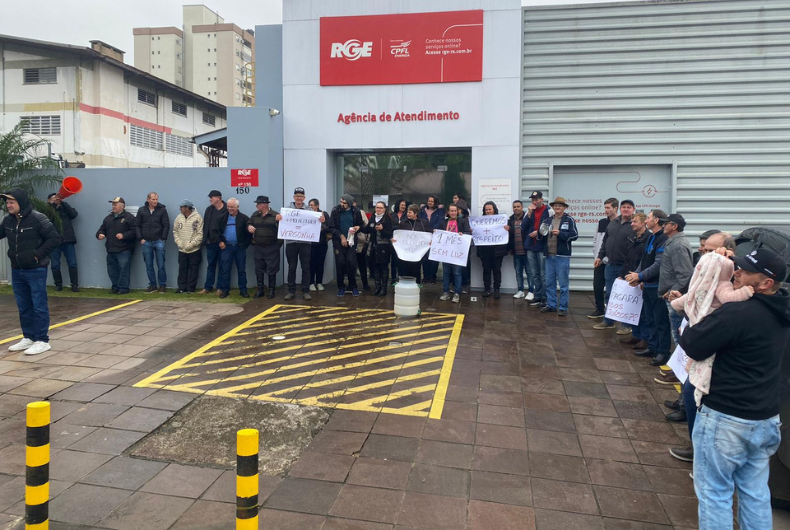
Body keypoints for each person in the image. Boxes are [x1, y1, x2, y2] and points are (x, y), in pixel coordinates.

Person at [681, 247, 789, 530]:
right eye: (736, 266)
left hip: (725, 417)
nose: (736, 272)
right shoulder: (782, 311)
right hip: (766, 418)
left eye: (745, 271)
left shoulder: (738, 312)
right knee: (755, 493)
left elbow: (692, 342)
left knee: (715, 493)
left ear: (766, 283)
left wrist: (702, 297)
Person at [665, 231, 736, 462]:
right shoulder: (706, 271)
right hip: (697, 345)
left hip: (712, 353)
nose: (703, 255)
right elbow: (697, 295)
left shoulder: (729, 274)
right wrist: (681, 298)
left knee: (695, 394)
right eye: (703, 250)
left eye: (709, 251)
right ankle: (696, 444)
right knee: (688, 390)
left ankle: (701, 451)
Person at [1, 188, 61, 356]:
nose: (8, 205)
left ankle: (42, 340)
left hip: (36, 269)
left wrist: (37, 254)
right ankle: (28, 337)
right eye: (7, 202)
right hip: (17, 269)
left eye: (11, 202)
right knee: (23, 306)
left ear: (21, 202)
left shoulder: (37, 218)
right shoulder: (8, 220)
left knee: (38, 305)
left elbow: (54, 238)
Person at [626, 210, 670, 366]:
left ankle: (663, 352)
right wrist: (637, 274)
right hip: (648, 285)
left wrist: (640, 276)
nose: (646, 221)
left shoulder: (663, 239)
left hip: (658, 286)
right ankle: (652, 347)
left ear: (656, 220)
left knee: (660, 321)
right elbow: (644, 260)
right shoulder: (651, 237)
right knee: (649, 318)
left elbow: (659, 264)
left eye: (649, 218)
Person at [594, 199, 636, 329]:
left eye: (629, 207)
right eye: (624, 207)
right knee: (610, 294)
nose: (626, 209)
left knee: (625, 296)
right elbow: (605, 241)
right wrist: (600, 256)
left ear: (633, 210)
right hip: (610, 265)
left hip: (626, 267)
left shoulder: (634, 225)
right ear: (620, 209)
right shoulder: (612, 223)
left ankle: (626, 326)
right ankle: (608, 321)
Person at [278, 187, 320, 300]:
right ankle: (291, 291)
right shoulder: (286, 209)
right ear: (294, 197)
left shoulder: (310, 210)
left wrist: (320, 220)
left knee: (305, 267)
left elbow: (315, 223)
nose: (299, 198)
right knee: (292, 267)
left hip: (305, 243)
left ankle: (305, 291)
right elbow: (280, 225)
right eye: (297, 196)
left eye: (301, 196)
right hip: (291, 243)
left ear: (304, 198)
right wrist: (278, 219)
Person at [659, 213, 694, 348]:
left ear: (674, 226)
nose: (663, 225)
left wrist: (671, 291)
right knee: (676, 330)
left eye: (666, 223)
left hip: (674, 296)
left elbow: (685, 273)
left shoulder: (678, 245)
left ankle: (680, 366)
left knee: (678, 332)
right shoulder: (673, 242)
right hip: (671, 294)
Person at [540, 197, 578, 315]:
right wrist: (540, 233)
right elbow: (541, 234)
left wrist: (560, 234)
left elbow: (575, 235)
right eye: (555, 206)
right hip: (549, 256)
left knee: (563, 284)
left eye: (560, 206)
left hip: (562, 256)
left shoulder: (569, 219)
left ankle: (563, 307)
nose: (557, 207)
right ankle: (551, 305)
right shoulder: (547, 220)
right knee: (549, 283)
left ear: (564, 207)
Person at [618, 212, 649, 344]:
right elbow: (627, 258)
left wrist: (641, 278)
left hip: (640, 277)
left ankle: (645, 338)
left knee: (643, 312)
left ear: (643, 223)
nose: (632, 224)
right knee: (632, 308)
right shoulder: (633, 237)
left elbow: (646, 261)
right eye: (632, 222)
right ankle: (636, 335)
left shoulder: (648, 238)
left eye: (635, 222)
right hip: (630, 275)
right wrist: (622, 274)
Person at [96, 197, 136, 295]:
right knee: (112, 270)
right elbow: (101, 230)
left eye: (115, 204)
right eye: (113, 205)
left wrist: (124, 235)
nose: (113, 206)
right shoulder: (108, 218)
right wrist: (100, 235)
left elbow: (135, 231)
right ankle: (115, 287)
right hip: (111, 249)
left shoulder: (129, 217)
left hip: (124, 249)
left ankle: (123, 288)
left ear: (122, 206)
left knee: (123, 270)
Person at [330, 194, 365, 297]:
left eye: (344, 203)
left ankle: (353, 286)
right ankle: (341, 287)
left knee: (351, 263)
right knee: (340, 263)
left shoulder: (356, 211)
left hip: (351, 241)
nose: (342, 204)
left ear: (349, 203)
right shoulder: (335, 210)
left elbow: (361, 225)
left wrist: (358, 227)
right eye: (341, 202)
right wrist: (341, 236)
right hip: (338, 241)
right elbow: (331, 227)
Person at [589, 198, 619, 318]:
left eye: (608, 208)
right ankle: (600, 309)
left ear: (615, 208)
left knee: (613, 288)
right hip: (600, 261)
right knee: (597, 285)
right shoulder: (601, 222)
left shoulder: (620, 223)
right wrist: (597, 255)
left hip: (613, 262)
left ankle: (613, 311)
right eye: (605, 207)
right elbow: (596, 239)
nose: (606, 210)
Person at [247, 195, 281, 299]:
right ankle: (260, 290)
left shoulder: (275, 215)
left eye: (259, 204)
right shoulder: (255, 214)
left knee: (272, 269)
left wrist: (277, 246)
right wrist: (249, 227)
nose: (257, 205)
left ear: (265, 204)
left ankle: (271, 290)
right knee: (259, 269)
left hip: (272, 247)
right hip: (258, 247)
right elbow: (248, 223)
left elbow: (282, 231)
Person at [136, 191, 170, 294]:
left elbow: (166, 225)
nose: (155, 201)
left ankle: (162, 285)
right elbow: (137, 225)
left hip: (158, 241)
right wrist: (140, 238)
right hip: (146, 241)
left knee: (161, 265)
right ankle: (153, 285)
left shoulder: (162, 210)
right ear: (148, 200)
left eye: (156, 199)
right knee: (149, 265)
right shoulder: (142, 210)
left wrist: (163, 238)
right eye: (153, 199)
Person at [217, 198, 250, 298]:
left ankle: (243, 290)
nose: (230, 209)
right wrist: (220, 242)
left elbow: (248, 234)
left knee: (241, 270)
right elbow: (216, 232)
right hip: (226, 248)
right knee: (225, 269)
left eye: (232, 207)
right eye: (228, 207)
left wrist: (245, 245)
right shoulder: (222, 218)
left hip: (239, 248)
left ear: (237, 207)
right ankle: (225, 290)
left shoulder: (244, 218)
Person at [439, 204, 472, 303]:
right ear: (448, 212)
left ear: (457, 212)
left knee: (457, 272)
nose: (453, 213)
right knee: (446, 272)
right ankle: (446, 292)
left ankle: (457, 293)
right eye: (451, 211)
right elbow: (439, 234)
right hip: (446, 252)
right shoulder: (443, 222)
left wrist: (463, 234)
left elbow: (468, 233)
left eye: (455, 211)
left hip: (457, 252)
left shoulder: (463, 221)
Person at [46, 192, 79, 292]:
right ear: (48, 201)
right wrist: (53, 205)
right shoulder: (48, 210)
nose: (56, 199)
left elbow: (74, 214)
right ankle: (58, 285)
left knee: (72, 263)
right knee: (55, 264)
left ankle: (74, 285)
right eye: (53, 198)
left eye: (57, 198)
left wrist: (63, 203)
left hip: (68, 240)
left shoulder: (65, 208)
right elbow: (48, 217)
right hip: (54, 241)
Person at [477, 201, 509, 299]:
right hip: (484, 250)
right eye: (486, 209)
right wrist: (473, 230)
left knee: (497, 270)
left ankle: (496, 290)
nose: (488, 211)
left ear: (494, 209)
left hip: (497, 250)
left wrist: (508, 229)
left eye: (490, 209)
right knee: (486, 270)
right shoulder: (480, 221)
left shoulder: (501, 220)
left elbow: (506, 233)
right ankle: (487, 289)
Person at [525, 191, 551, 308]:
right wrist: (529, 214)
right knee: (534, 273)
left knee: (543, 273)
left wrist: (539, 232)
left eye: (536, 200)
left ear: (541, 199)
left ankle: (545, 298)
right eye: (533, 200)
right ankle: (538, 295)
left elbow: (551, 227)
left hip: (542, 245)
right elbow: (523, 227)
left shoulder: (549, 210)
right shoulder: (530, 211)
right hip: (531, 245)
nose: (534, 202)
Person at [199, 190, 228, 294]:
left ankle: (220, 287)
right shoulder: (209, 210)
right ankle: (208, 287)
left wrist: (223, 240)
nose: (210, 199)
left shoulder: (226, 209)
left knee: (222, 265)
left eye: (212, 197)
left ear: (218, 198)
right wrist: (204, 239)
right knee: (211, 265)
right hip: (210, 242)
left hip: (222, 243)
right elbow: (206, 225)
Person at [363, 201, 394, 296]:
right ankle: (377, 287)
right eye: (377, 207)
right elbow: (368, 229)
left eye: (380, 208)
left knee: (383, 268)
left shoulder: (388, 219)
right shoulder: (372, 217)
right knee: (375, 267)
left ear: (384, 209)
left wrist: (382, 229)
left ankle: (384, 289)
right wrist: (358, 228)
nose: (378, 209)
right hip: (373, 246)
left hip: (383, 246)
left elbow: (390, 234)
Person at [173, 200, 203, 294]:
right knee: (182, 269)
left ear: (187, 208)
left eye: (181, 207)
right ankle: (181, 288)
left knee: (193, 269)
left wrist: (191, 245)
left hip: (194, 250)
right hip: (182, 249)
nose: (180, 209)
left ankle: (191, 288)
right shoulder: (178, 217)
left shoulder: (197, 217)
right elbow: (175, 231)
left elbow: (199, 235)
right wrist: (179, 243)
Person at [397, 204, 430, 284]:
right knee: (405, 268)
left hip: (418, 252)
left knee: (416, 269)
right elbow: (399, 235)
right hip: (406, 251)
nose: (408, 214)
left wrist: (429, 240)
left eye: (410, 212)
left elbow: (428, 233)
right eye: (407, 212)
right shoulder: (403, 223)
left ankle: (417, 285)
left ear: (415, 214)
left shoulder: (423, 222)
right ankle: (406, 285)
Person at [508, 200, 530, 300]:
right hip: (516, 251)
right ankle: (520, 290)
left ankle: (531, 291)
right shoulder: (510, 220)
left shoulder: (527, 218)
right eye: (514, 207)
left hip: (527, 251)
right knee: (518, 272)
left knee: (529, 272)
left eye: (518, 206)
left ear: (522, 207)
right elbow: (509, 235)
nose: (516, 208)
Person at [419, 195, 444, 284]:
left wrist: (433, 229)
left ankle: (432, 277)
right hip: (425, 235)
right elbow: (420, 220)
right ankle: (426, 276)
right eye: (429, 201)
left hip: (435, 235)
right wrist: (426, 229)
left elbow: (441, 221)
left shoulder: (439, 210)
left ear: (435, 202)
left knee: (434, 257)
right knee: (425, 258)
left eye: (432, 201)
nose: (430, 202)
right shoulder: (422, 210)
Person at [308, 198, 330, 291]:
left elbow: (330, 227)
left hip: (321, 243)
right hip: (310, 244)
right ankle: (311, 282)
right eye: (309, 205)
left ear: (317, 206)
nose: (310, 207)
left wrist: (322, 225)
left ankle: (319, 282)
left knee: (320, 263)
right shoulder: (307, 214)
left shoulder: (324, 214)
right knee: (311, 263)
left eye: (312, 205)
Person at [390, 199, 409, 285]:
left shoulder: (407, 215)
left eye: (404, 205)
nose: (403, 207)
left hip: (404, 242)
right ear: (398, 205)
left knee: (402, 260)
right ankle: (393, 278)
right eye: (402, 205)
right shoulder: (391, 215)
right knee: (394, 260)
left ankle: (402, 277)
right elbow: (389, 227)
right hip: (394, 241)